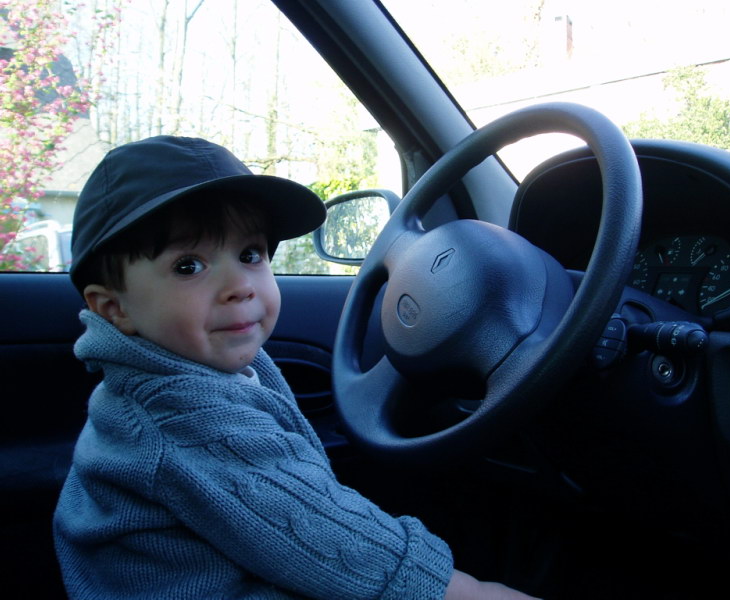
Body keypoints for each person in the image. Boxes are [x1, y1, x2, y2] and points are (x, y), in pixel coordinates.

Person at [53, 135, 538, 600]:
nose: (240, 285)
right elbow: (334, 539)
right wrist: (474, 592)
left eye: (250, 255)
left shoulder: (181, 372)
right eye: (189, 266)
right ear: (114, 309)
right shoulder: (179, 415)